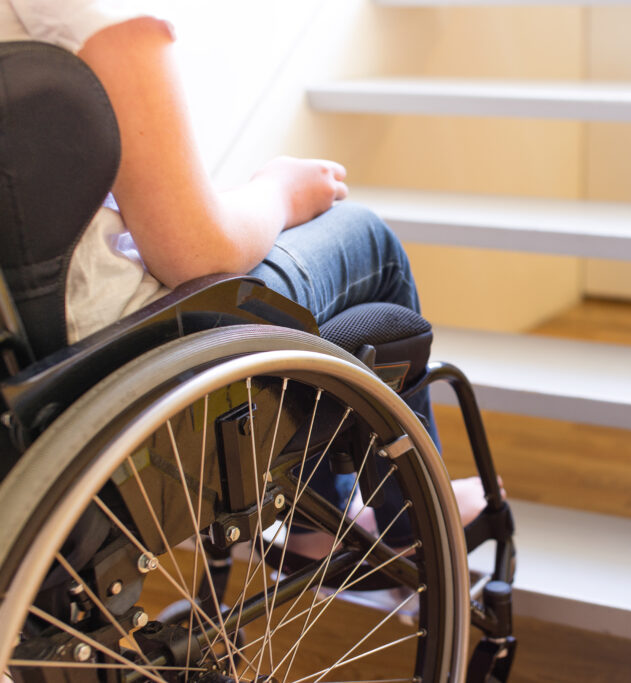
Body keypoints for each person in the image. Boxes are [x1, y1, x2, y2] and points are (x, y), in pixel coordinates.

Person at [0, 1, 496, 533]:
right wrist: (280, 189)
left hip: (20, 374)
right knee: (369, 243)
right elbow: (196, 252)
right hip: (111, 355)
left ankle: (316, 522)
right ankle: (406, 522)